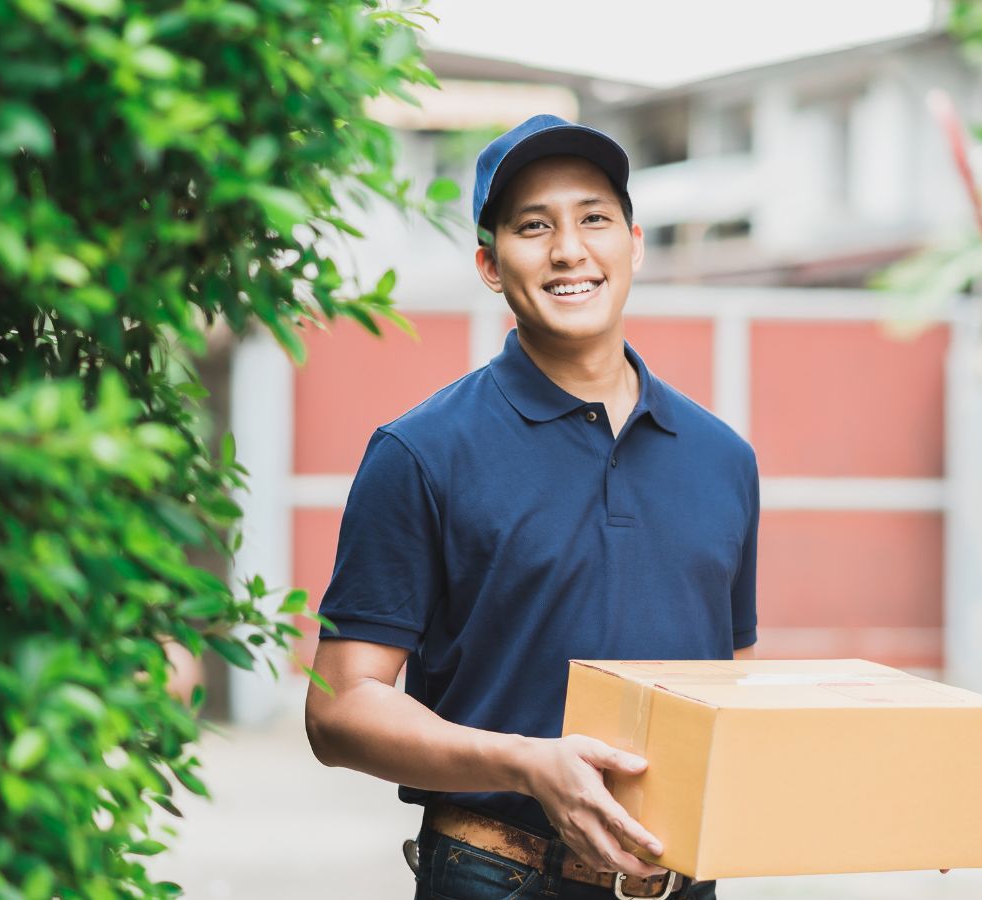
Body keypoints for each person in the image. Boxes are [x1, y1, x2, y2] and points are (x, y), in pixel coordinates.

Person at [303, 114, 760, 900]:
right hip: (499, 876)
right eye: (533, 226)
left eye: (593, 219)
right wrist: (524, 760)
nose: (569, 250)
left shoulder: (723, 460)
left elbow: (738, 692)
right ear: (489, 262)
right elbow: (339, 708)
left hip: (685, 882)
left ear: (635, 243)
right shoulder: (421, 453)